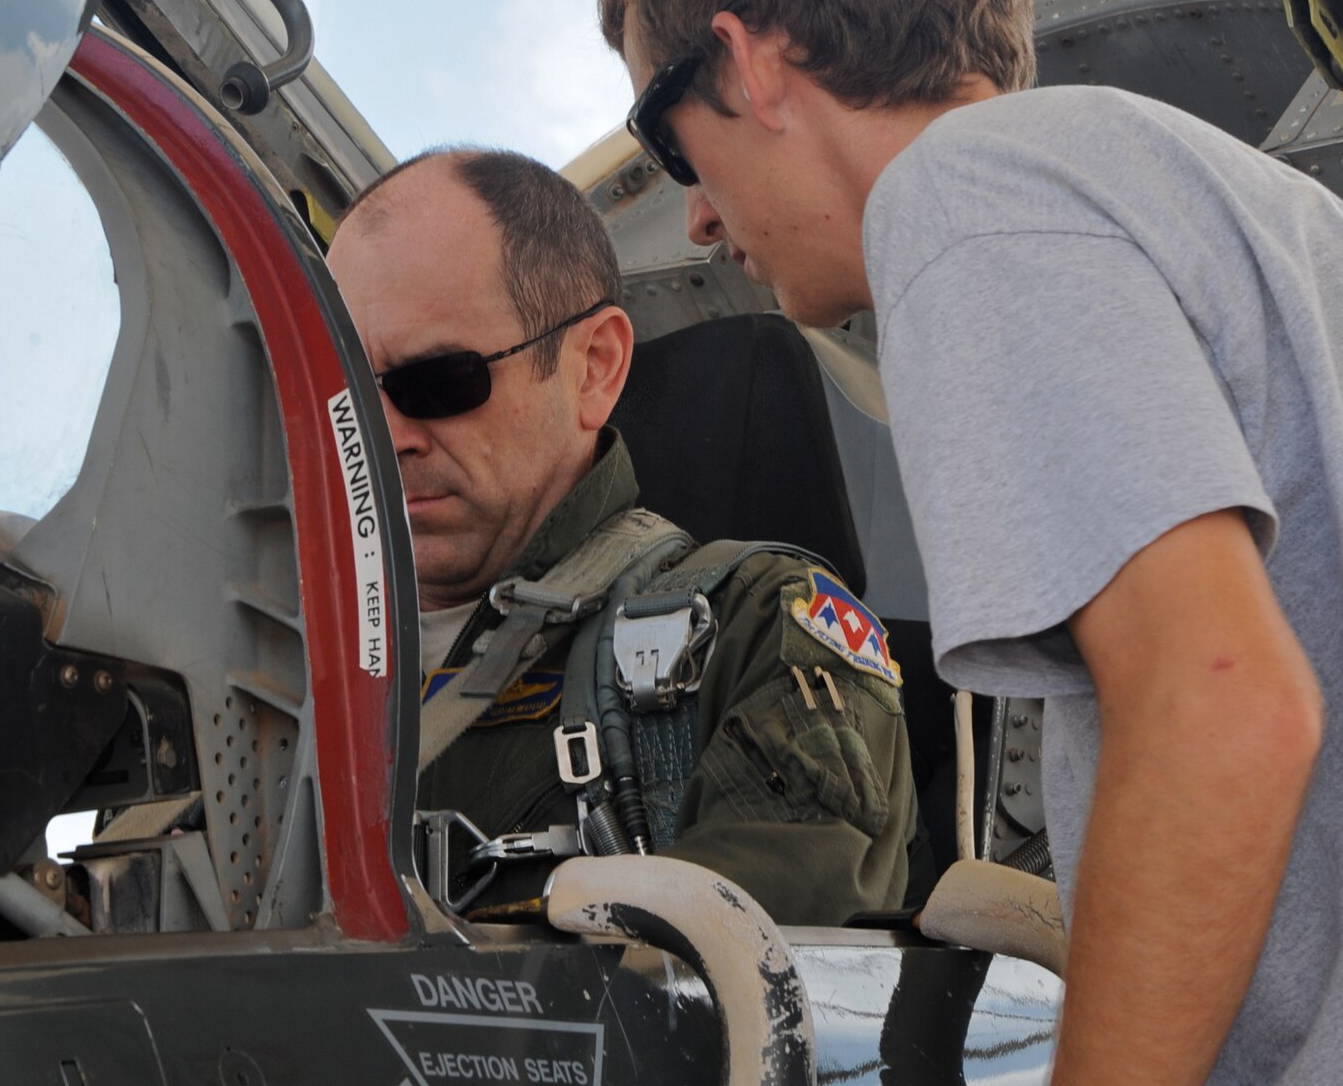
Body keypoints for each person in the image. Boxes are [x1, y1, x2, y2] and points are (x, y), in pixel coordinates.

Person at [597, 0, 1343, 1085]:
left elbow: (1225, 707)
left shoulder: (964, 203)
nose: (695, 215)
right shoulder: (1200, 209)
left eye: (666, 126)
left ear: (748, 60)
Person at [325, 145, 919, 924]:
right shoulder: (257, 675)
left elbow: (747, 984)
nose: (383, 436)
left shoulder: (759, 634)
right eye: (344, 397)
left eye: (438, 383)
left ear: (595, 368)